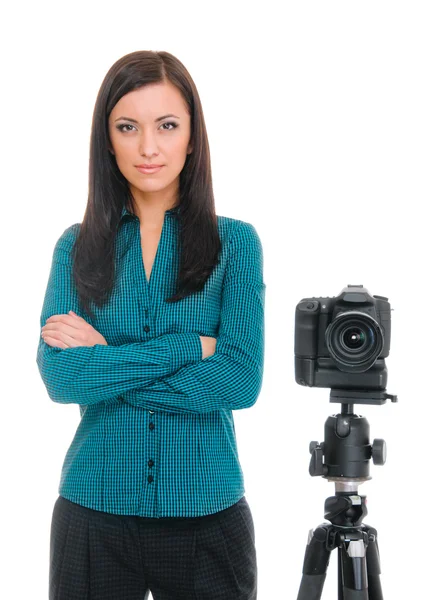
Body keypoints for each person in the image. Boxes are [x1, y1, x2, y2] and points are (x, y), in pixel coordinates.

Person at [36, 49, 265, 600]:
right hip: (93, 513)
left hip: (207, 514)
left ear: (192, 136)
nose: (147, 147)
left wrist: (106, 356)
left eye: (166, 125)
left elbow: (239, 381)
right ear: (106, 139)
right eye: (127, 127)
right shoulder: (76, 246)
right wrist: (188, 346)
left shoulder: (235, 244)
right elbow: (63, 380)